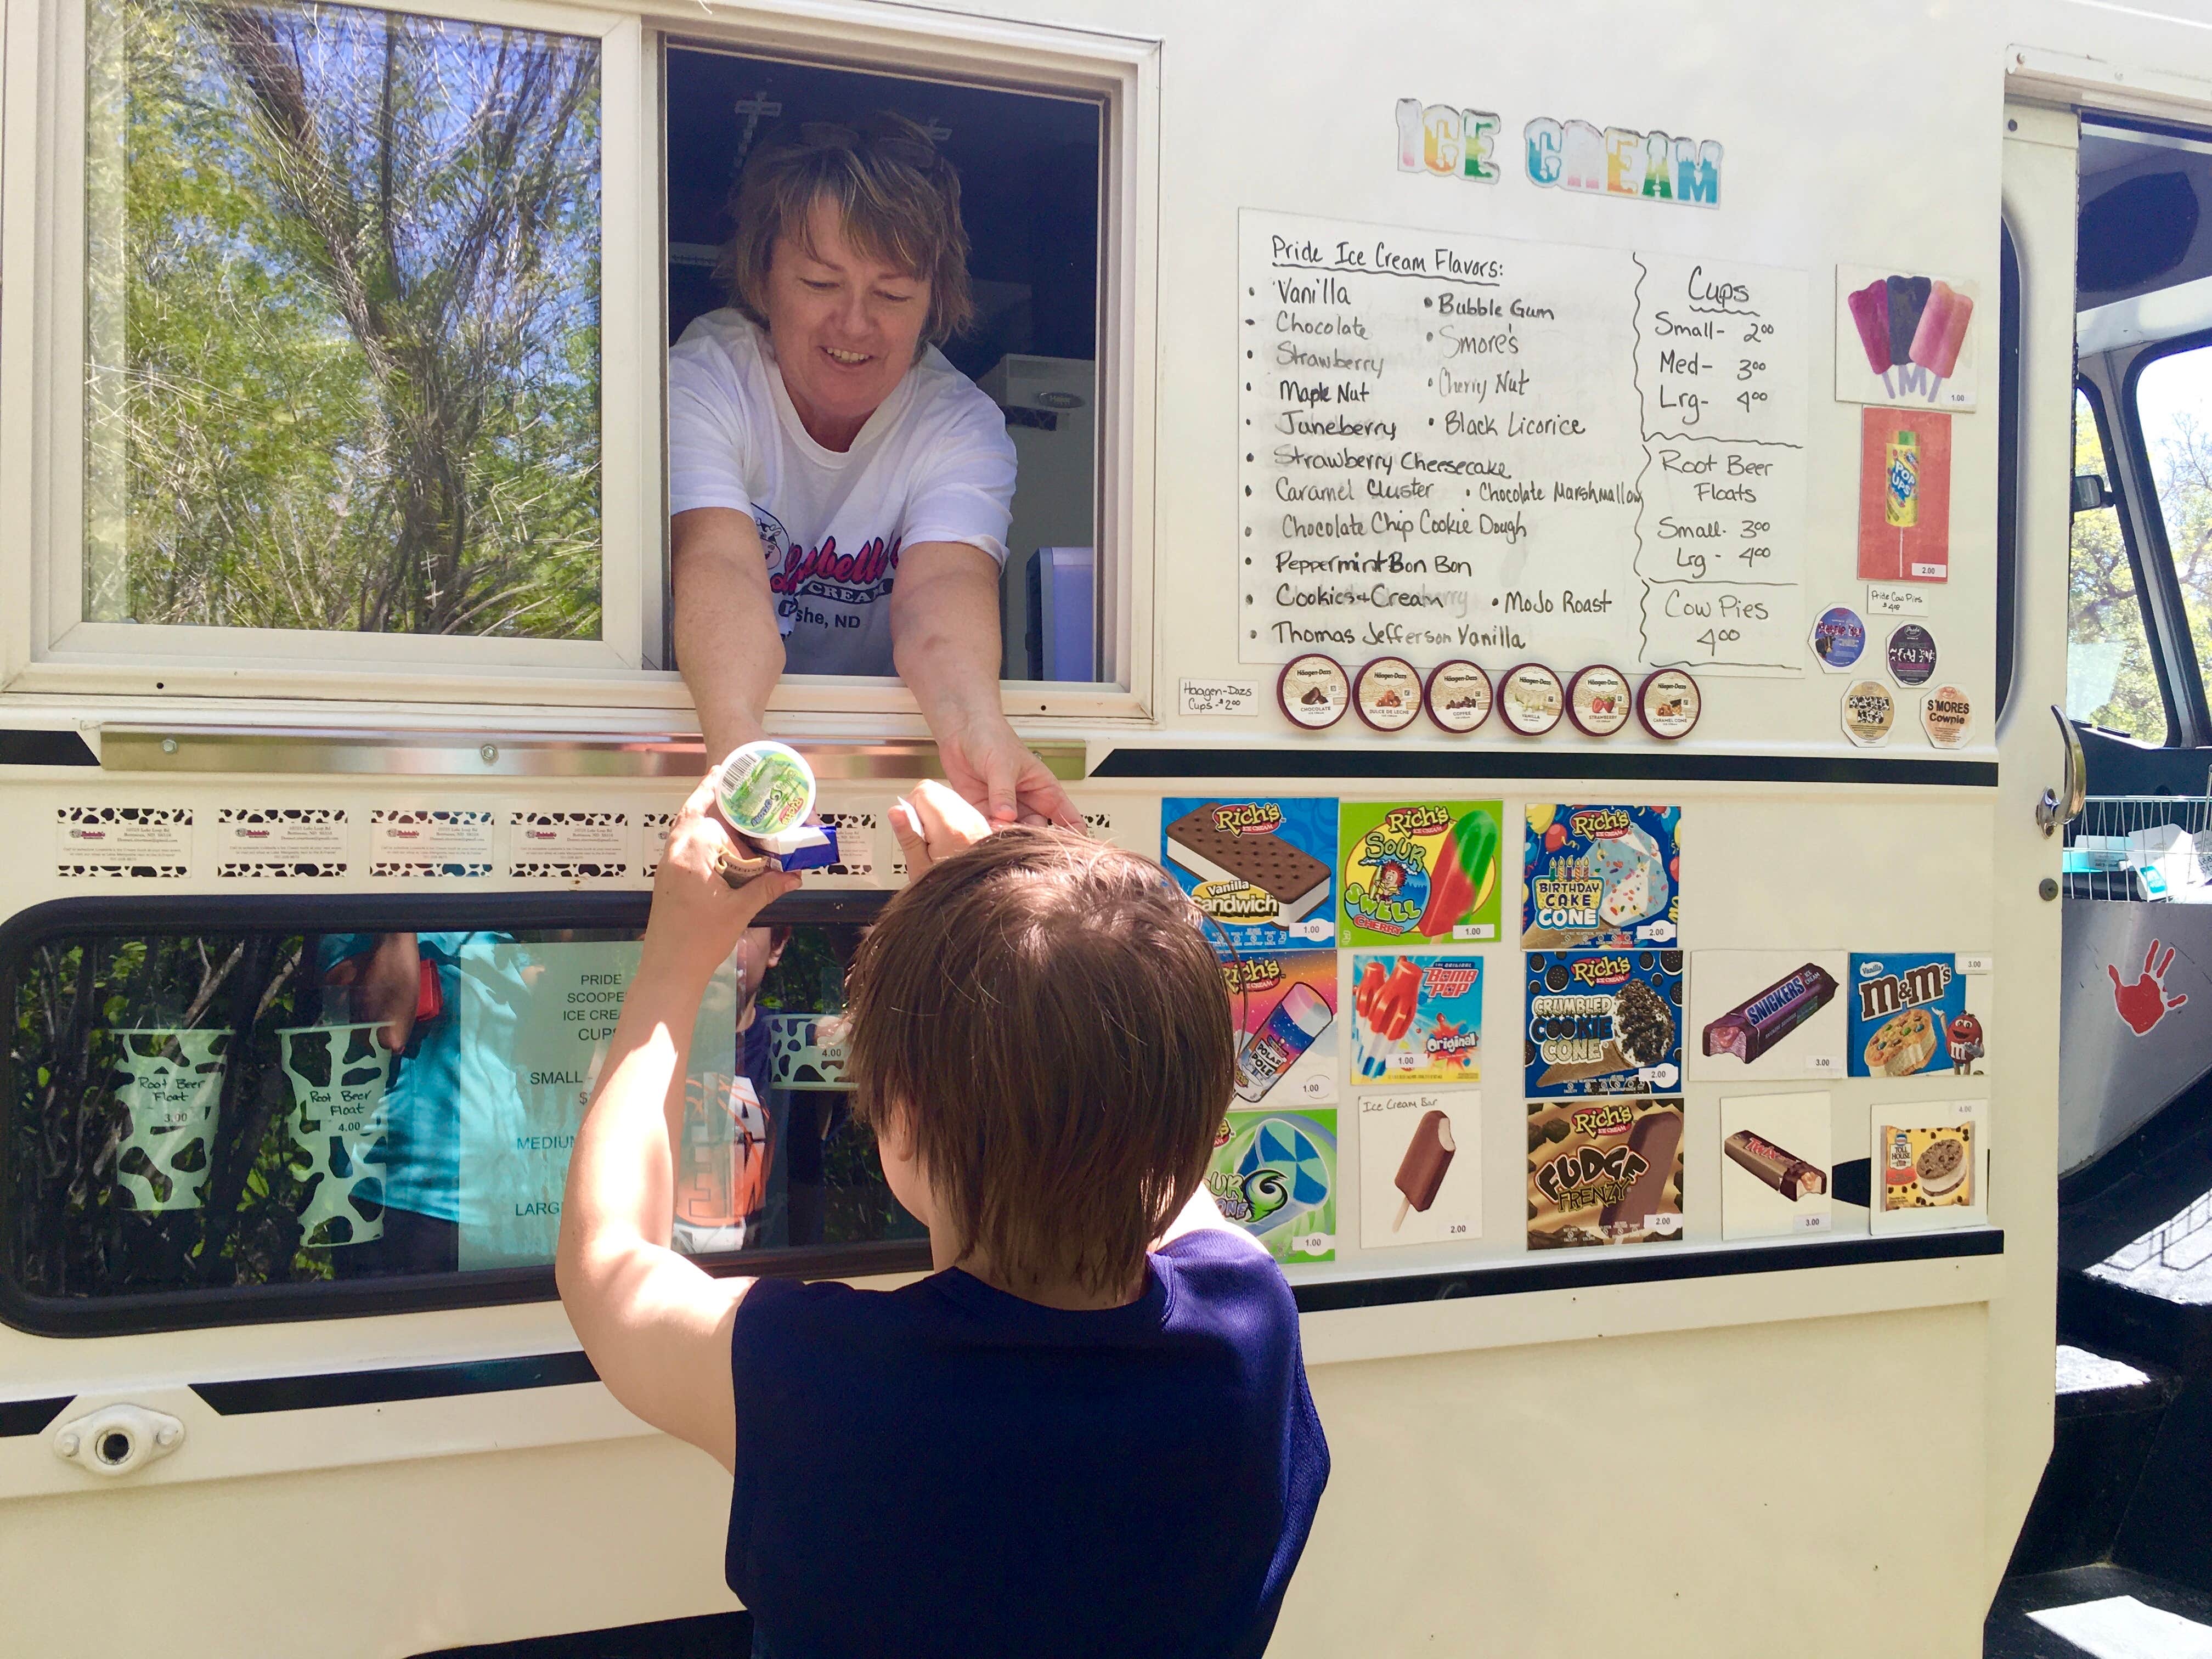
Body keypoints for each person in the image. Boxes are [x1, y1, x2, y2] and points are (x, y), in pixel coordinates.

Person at [556, 779, 1329, 1658]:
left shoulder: (824, 1384)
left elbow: (603, 1262)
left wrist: (678, 953)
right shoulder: (1248, 1327)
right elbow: (1160, 1153)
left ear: (904, 1120)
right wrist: (1018, 917)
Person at [669, 112, 1078, 830]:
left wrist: (979, 725)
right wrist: (736, 749)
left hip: (878, 765)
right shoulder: (705, 377)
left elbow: (942, 594)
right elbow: (719, 565)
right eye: (823, 283)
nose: (856, 325)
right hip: (733, 731)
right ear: (765, 282)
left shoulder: (960, 423)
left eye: (891, 296)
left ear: (932, 305)